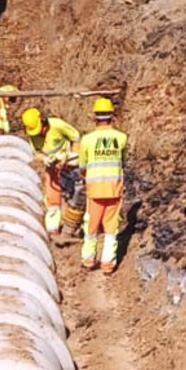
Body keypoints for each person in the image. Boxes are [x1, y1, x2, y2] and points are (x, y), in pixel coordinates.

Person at [79, 98, 128, 274]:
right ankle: (108, 264)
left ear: (95, 117)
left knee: (91, 226)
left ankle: (89, 260)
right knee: (111, 228)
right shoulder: (121, 138)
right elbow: (123, 162)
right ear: (112, 117)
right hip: (114, 189)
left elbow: (83, 166)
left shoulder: (87, 140)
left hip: (95, 191)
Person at [23, 107, 82, 237]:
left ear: (44, 122)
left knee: (74, 196)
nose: (39, 134)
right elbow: (36, 152)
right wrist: (44, 159)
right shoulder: (33, 136)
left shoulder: (57, 125)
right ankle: (52, 229)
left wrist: (71, 155)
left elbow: (76, 138)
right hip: (52, 168)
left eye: (41, 131)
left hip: (69, 166)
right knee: (52, 198)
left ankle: (74, 227)